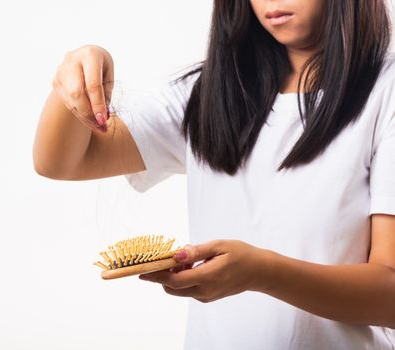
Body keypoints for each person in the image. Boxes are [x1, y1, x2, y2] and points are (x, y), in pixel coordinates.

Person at [33, 0, 395, 348]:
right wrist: (73, 84)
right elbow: (62, 161)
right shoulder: (211, 92)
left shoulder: (386, 91)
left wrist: (262, 272)